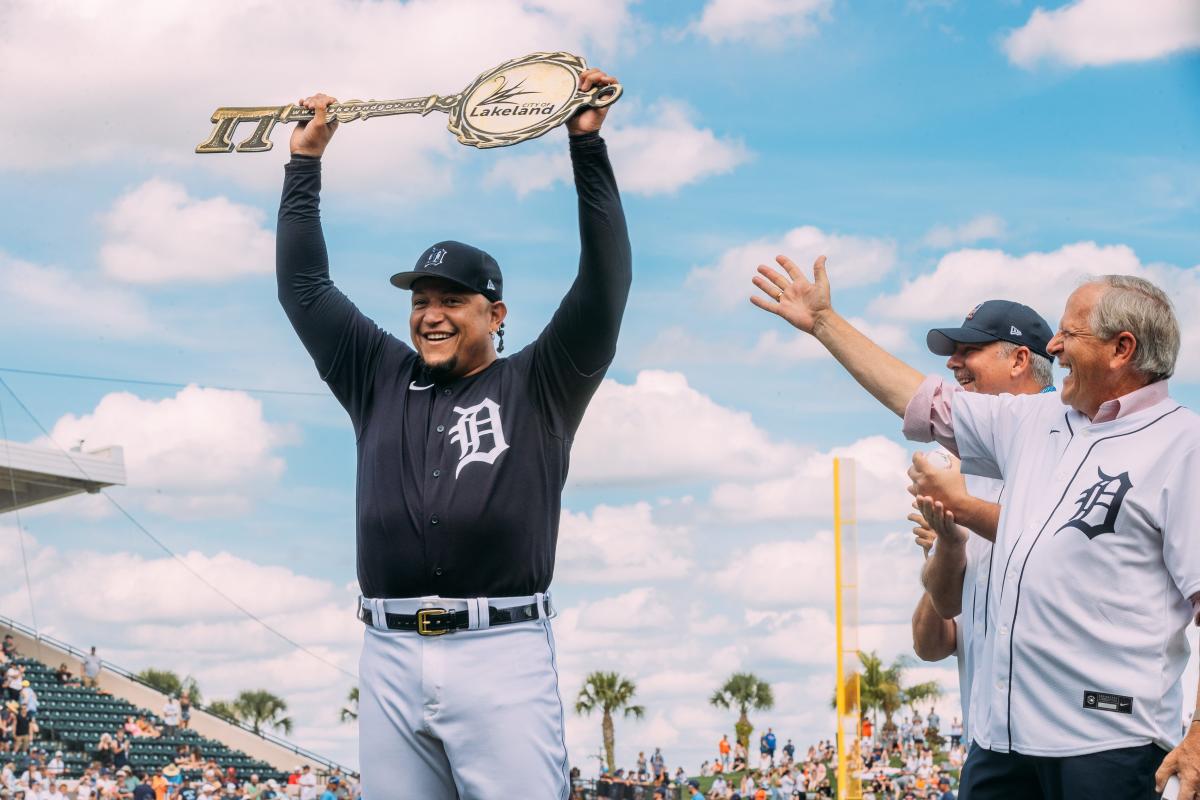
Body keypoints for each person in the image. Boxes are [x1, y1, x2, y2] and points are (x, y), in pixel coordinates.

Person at [277, 63, 630, 800]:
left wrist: (586, 147)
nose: (430, 314)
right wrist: (304, 164)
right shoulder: (377, 374)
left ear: (496, 314)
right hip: (388, 650)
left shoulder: (541, 382)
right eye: (421, 300)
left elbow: (603, 285)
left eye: (453, 301)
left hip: (500, 651)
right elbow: (304, 289)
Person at [751, 259, 1198, 797]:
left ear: (1121, 349)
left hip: (1109, 744)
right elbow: (921, 400)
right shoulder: (1037, 420)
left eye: (1068, 333)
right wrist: (824, 322)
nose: (1053, 347)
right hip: (1001, 744)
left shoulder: (1183, 445)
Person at [906, 300, 1054, 754]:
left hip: (1072, 743)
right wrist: (949, 547)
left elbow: (1052, 545)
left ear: (1020, 359)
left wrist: (964, 509)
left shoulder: (1073, 440)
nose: (954, 363)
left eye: (969, 349)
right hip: (990, 745)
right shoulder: (960, 469)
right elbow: (932, 643)